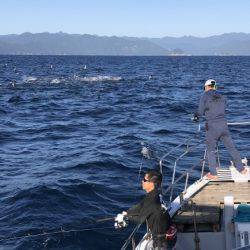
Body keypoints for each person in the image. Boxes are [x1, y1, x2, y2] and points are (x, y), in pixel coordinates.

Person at [193, 79, 247, 179]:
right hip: (224, 125)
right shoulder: (222, 96)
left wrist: (195, 116)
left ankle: (213, 173)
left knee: (210, 150)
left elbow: (200, 112)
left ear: (206, 87)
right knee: (231, 147)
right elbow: (225, 106)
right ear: (215, 86)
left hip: (212, 127)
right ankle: (241, 169)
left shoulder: (204, 96)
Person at [115, 170, 177, 249]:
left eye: (144, 180)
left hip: (162, 242)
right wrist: (127, 213)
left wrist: (125, 218)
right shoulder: (155, 194)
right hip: (169, 233)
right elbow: (141, 205)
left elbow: (140, 219)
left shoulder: (152, 200)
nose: (142, 181)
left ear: (151, 183)